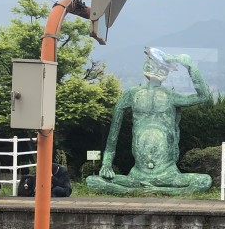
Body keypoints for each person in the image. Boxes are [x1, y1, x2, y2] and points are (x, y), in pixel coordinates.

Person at [86, 47, 212, 196]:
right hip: (138, 175)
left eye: (159, 66)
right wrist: (106, 164)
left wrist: (191, 67)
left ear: (165, 72)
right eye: (151, 63)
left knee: (204, 181)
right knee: (92, 181)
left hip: (167, 174)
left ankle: (155, 191)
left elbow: (204, 97)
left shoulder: (171, 96)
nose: (154, 68)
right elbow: (113, 135)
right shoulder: (131, 95)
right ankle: (138, 190)